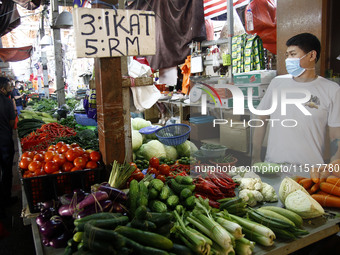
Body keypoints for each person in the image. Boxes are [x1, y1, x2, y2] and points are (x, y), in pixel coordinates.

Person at [252, 33, 340, 166]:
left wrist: (334, 169)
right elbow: (261, 120)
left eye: (293, 54)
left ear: (311, 55)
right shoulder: (277, 84)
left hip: (311, 172)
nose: (288, 59)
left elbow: (335, 136)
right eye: (287, 55)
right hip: (274, 166)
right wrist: (255, 158)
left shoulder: (331, 90)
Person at [0, 77, 17, 218]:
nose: (10, 90)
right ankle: (6, 199)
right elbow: (12, 124)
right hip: (4, 141)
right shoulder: (7, 102)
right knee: (6, 171)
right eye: (8, 87)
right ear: (2, 89)